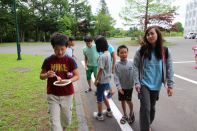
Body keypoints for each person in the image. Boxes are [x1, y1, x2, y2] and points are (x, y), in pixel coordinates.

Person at [133, 26, 174, 131]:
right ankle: (145, 128)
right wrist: (137, 83)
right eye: (147, 34)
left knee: (152, 108)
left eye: (152, 33)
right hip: (144, 84)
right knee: (145, 107)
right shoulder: (141, 50)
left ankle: (148, 123)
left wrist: (170, 85)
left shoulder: (165, 51)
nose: (149, 36)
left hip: (156, 85)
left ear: (158, 35)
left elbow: (169, 68)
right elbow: (135, 66)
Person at [40, 33, 79, 131]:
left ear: (67, 47)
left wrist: (69, 80)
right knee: (55, 124)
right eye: (57, 49)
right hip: (52, 95)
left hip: (67, 94)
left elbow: (77, 75)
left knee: (66, 120)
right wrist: (47, 75)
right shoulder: (48, 60)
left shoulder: (70, 60)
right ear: (53, 48)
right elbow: (41, 76)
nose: (60, 52)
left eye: (62, 49)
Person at [114, 45, 135, 124]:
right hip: (121, 88)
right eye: (121, 53)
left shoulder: (132, 63)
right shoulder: (117, 65)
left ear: (127, 53)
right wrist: (119, 87)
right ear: (118, 54)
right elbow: (116, 77)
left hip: (129, 87)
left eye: (125, 52)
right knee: (122, 100)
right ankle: (125, 114)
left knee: (129, 100)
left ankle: (131, 113)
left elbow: (136, 73)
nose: (123, 54)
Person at [94, 36, 113, 121]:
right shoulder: (108, 53)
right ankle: (109, 111)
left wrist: (96, 80)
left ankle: (100, 115)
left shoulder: (102, 56)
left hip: (102, 81)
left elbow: (100, 70)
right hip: (107, 79)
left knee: (99, 98)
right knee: (103, 95)